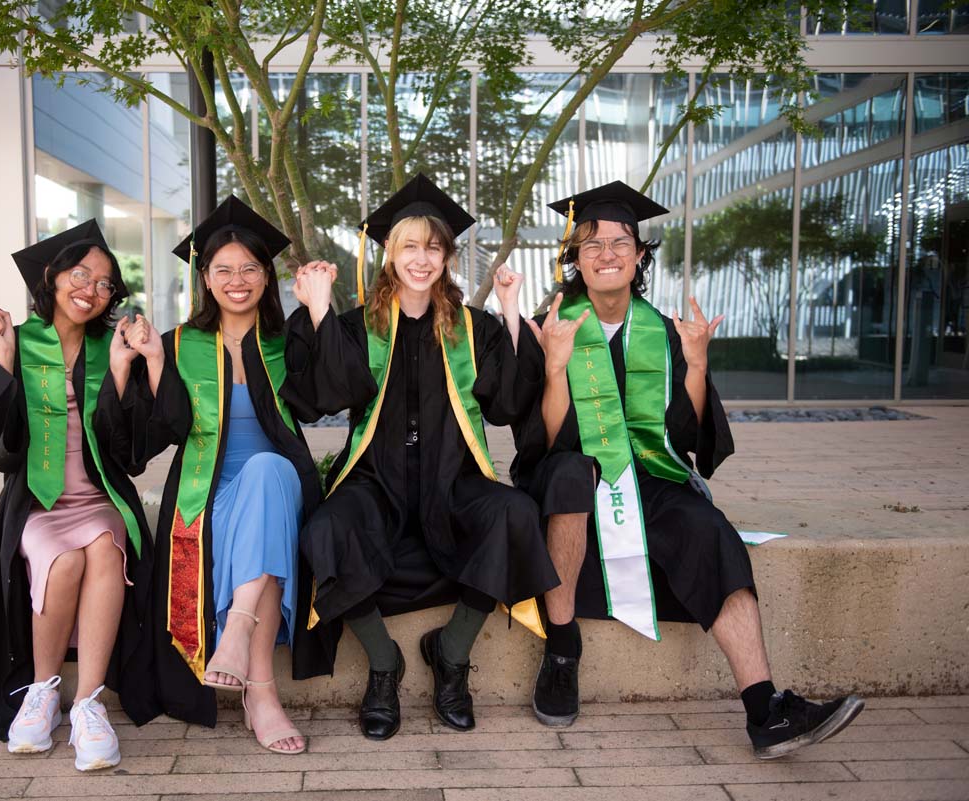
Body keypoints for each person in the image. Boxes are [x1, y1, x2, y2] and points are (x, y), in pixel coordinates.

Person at [514, 180, 864, 759]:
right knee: (571, 473)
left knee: (710, 529)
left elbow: (684, 439)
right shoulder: (550, 324)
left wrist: (696, 366)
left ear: (639, 256)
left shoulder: (665, 333)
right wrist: (554, 369)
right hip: (567, 482)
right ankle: (561, 649)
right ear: (574, 257)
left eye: (620, 242)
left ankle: (765, 710)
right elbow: (541, 442)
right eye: (592, 243)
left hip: (649, 476)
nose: (607, 253)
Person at [283, 174, 560, 741]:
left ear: (447, 256)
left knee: (515, 514)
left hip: (453, 479)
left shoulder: (473, 328)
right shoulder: (359, 325)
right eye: (409, 245)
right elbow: (324, 398)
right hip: (375, 479)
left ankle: (452, 653)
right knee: (326, 528)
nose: (421, 258)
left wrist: (511, 312)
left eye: (434, 247)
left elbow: (507, 406)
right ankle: (384, 664)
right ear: (390, 251)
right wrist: (319, 310)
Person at [97, 196, 336, 754]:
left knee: (267, 472)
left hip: (281, 485)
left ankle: (236, 632)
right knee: (262, 523)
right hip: (208, 497)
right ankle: (262, 694)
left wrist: (321, 310)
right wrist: (150, 364)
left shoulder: (287, 339)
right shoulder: (179, 345)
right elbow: (149, 440)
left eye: (250, 268)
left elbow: (331, 394)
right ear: (205, 278)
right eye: (223, 269)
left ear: (267, 276)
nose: (237, 280)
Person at [0, 220, 153, 771]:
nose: (92, 289)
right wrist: (2, 362)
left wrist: (121, 373)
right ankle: (43, 693)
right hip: (37, 502)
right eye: (81, 274)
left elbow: (130, 452)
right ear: (52, 276)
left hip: (100, 497)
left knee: (107, 548)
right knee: (63, 560)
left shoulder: (114, 348)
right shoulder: (9, 343)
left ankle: (89, 705)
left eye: (105, 283)